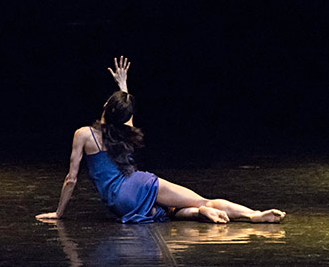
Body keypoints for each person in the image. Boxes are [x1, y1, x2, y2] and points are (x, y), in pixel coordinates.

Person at [36, 57, 286, 224]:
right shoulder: (125, 129)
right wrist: (123, 85)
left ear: (104, 106)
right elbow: (126, 112)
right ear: (125, 117)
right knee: (202, 199)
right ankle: (252, 215)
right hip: (137, 185)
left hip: (117, 204)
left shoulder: (82, 134)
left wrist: (59, 213)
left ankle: (201, 214)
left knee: (173, 211)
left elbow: (71, 179)